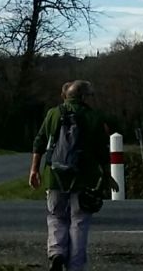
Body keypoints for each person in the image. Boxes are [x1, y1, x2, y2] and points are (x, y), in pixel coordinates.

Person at [28, 80, 116, 271]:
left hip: (55, 175)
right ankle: (75, 266)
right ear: (83, 96)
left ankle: (57, 253)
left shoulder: (53, 113)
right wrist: (107, 175)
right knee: (79, 221)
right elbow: (102, 151)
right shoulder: (94, 117)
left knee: (56, 216)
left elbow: (40, 142)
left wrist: (34, 170)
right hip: (84, 178)